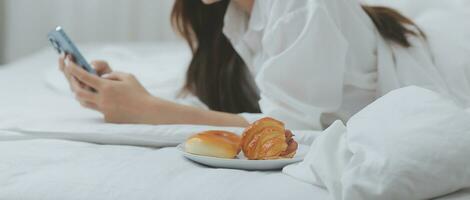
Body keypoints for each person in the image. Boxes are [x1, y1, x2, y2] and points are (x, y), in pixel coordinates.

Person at [58, 0, 458, 130]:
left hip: (448, 63)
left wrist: (146, 110)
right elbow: (227, 100)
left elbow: (287, 134)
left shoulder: (300, 5)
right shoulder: (232, 14)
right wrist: (119, 91)